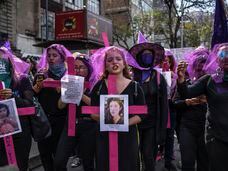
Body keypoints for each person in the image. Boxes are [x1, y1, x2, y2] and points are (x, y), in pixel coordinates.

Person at [90, 46, 146, 171]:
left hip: (127, 138)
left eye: (118, 59)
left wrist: (122, 123)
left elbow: (142, 114)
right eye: (109, 60)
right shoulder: (98, 86)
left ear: (124, 63)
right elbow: (92, 112)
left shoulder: (135, 87)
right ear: (105, 65)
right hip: (104, 137)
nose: (114, 62)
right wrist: (107, 121)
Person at [177, 43, 228, 171]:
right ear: (217, 59)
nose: (226, 57)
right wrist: (181, 79)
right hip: (216, 137)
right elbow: (186, 93)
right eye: (222, 54)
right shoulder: (209, 80)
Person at [129, 42, 168, 171]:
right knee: (134, 155)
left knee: (148, 154)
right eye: (145, 55)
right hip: (134, 122)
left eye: (150, 55)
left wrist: (163, 128)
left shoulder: (158, 77)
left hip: (152, 123)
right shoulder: (131, 76)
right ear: (139, 57)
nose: (148, 57)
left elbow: (164, 105)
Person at [54, 53, 96, 171]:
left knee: (88, 164)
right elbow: (60, 106)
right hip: (71, 124)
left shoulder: (94, 84)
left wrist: (79, 92)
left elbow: (97, 105)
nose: (78, 70)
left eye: (81, 67)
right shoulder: (69, 82)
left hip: (89, 126)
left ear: (88, 69)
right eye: (75, 67)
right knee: (59, 161)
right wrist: (66, 91)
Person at [33, 44, 71, 171]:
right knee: (45, 155)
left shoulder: (68, 76)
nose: (51, 58)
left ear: (62, 57)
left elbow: (73, 99)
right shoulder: (40, 75)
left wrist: (61, 90)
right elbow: (33, 98)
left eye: (55, 55)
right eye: (49, 55)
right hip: (42, 120)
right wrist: (36, 90)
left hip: (61, 121)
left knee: (59, 158)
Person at [174, 47, 209, 171]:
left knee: (204, 163)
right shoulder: (186, 82)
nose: (201, 65)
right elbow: (175, 103)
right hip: (187, 127)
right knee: (187, 163)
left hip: (206, 129)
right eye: (198, 61)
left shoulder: (212, 83)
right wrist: (188, 102)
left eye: (204, 62)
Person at [0, 47, 34, 171]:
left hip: (20, 133)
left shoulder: (22, 80)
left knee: (19, 166)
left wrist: (12, 97)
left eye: (2, 61)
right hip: (1, 132)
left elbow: (30, 105)